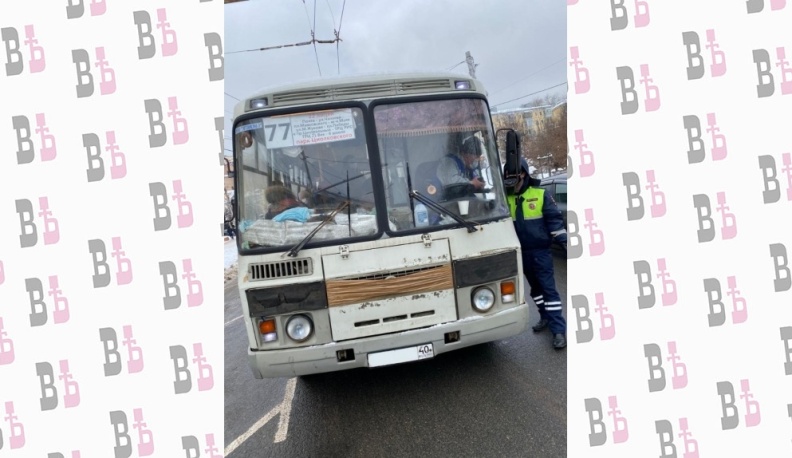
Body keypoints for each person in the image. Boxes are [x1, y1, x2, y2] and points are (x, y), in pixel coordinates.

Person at [506, 158, 568, 349]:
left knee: (548, 289)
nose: (509, 178)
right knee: (535, 290)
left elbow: (554, 221)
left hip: (540, 251)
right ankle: (545, 317)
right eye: (507, 175)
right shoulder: (504, 198)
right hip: (520, 254)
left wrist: (565, 243)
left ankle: (558, 330)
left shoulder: (540, 193)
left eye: (513, 174)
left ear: (523, 173)